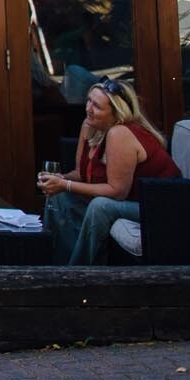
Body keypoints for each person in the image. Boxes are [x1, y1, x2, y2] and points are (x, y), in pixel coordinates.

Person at [37, 76, 180, 265]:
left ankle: (77, 274)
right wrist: (58, 180)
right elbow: (81, 173)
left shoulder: (120, 133)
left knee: (100, 206)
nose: (88, 108)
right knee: (58, 195)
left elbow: (117, 192)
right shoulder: (90, 126)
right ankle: (54, 264)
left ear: (116, 114)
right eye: (89, 100)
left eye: (96, 106)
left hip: (159, 206)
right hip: (130, 202)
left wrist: (66, 184)